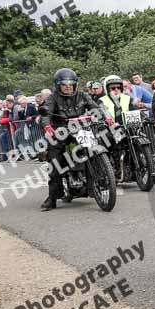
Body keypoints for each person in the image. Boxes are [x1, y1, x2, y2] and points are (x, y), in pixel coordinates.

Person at [39, 68, 112, 211]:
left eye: (71, 83)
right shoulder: (53, 97)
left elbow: (94, 107)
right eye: (64, 83)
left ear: (75, 84)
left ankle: (101, 179)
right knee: (55, 162)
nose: (68, 86)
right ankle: (52, 198)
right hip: (61, 131)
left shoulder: (83, 95)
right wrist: (47, 125)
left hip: (81, 128)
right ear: (58, 85)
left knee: (96, 147)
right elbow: (45, 112)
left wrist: (106, 117)